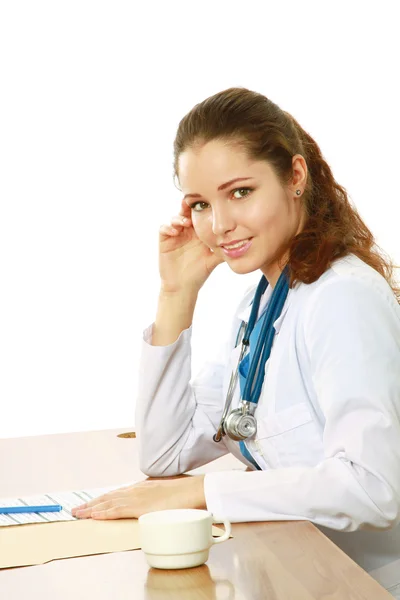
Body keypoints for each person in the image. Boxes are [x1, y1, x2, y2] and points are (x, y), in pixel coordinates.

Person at [72, 87, 400, 597]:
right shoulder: (262, 303)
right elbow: (164, 453)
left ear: (295, 177)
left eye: (240, 192)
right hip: (292, 571)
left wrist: (203, 491)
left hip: (359, 584)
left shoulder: (342, 299)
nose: (219, 225)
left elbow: (372, 488)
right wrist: (175, 293)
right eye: (201, 203)